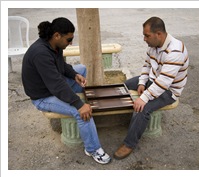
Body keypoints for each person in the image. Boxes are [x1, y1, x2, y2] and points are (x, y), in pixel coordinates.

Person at [22, 17, 111, 164]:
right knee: (81, 112)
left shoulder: (55, 46)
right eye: (69, 39)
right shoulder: (41, 54)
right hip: (43, 96)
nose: (70, 43)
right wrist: (79, 105)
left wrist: (74, 75)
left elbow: (62, 68)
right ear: (57, 35)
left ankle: (77, 102)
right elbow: (56, 85)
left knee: (81, 69)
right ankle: (93, 149)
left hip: (52, 86)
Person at [113, 17, 189, 160]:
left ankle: (129, 144)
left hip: (168, 91)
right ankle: (123, 116)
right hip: (153, 81)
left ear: (158, 34)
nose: (144, 39)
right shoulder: (153, 45)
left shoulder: (175, 51)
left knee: (143, 108)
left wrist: (144, 97)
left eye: (146, 35)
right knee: (122, 87)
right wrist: (142, 83)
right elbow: (147, 65)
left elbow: (164, 82)